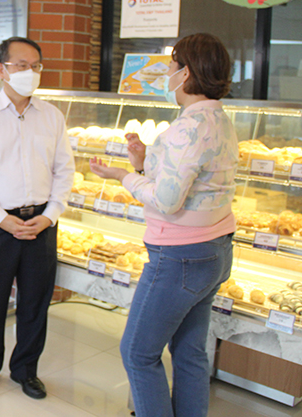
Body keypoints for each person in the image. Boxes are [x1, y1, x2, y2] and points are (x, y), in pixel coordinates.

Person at [89, 33, 238, 417]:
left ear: (185, 73)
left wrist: (125, 176)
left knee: (137, 353)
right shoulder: (221, 119)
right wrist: (143, 162)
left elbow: (169, 201)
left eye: (171, 68)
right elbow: (192, 179)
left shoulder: (187, 127)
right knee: (189, 353)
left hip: (179, 257)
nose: (168, 75)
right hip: (215, 251)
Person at [0, 37, 75, 400]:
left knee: (35, 302)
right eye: (21, 65)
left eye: (36, 65)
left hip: (40, 223)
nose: (30, 72)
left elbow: (64, 170)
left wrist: (52, 214)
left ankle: (26, 369)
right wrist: (0, 218)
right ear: (1, 70)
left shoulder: (52, 116)